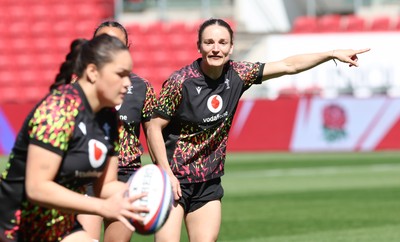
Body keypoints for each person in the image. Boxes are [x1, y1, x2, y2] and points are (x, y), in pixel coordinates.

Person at [147, 18, 371, 242]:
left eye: (222, 43)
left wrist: (331, 54)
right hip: (173, 179)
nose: (216, 48)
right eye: (209, 42)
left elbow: (288, 66)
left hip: (208, 182)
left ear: (231, 47)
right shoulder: (180, 82)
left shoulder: (238, 74)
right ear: (199, 47)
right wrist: (166, 173)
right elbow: (154, 128)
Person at [0, 34, 149, 242]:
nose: (127, 83)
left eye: (129, 75)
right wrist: (102, 207)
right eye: (120, 74)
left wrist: (146, 194)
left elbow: (106, 186)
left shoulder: (110, 118)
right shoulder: (58, 110)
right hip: (15, 230)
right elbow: (37, 187)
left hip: (61, 227)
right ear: (92, 72)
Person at [77, 21, 158, 242]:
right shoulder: (77, 86)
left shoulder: (141, 87)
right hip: (87, 175)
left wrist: (162, 172)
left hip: (126, 178)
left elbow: (153, 131)